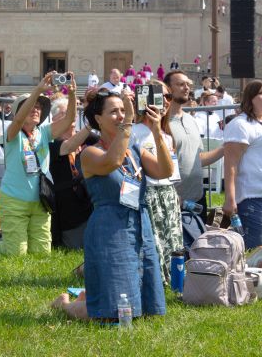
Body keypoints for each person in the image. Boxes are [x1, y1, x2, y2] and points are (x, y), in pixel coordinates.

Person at [52, 87, 173, 320]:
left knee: (148, 310)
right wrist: (128, 120)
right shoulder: (88, 154)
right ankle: (64, 305)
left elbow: (165, 170)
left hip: (140, 225)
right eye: (114, 112)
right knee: (114, 314)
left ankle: (89, 297)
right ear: (98, 119)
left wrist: (157, 132)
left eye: (123, 110)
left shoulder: (134, 150)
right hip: (110, 230)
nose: (120, 115)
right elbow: (113, 161)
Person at [0, 72, 76, 255]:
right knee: (16, 253)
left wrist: (72, 93)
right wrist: (38, 90)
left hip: (40, 201)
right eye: (30, 107)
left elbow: (69, 120)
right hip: (14, 200)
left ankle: (9, 238)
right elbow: (18, 120)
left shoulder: (43, 131)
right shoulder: (12, 132)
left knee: (42, 254)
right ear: (20, 110)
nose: (35, 109)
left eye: (39, 107)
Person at [223, 80, 262, 249]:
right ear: (250, 98)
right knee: (255, 251)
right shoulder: (240, 124)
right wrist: (230, 198)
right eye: (260, 93)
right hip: (254, 197)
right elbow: (230, 164)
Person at [131, 80, 182, 284]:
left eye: (168, 96)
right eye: (160, 96)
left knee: (171, 238)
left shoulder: (167, 134)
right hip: (148, 192)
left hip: (168, 191)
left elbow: (172, 170)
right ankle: (155, 278)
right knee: (154, 239)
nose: (165, 101)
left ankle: (173, 277)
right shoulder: (134, 132)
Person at [165, 70, 223, 224]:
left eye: (187, 84)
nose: (186, 88)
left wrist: (225, 149)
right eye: (180, 84)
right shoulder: (160, 123)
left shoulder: (191, 120)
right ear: (167, 89)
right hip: (173, 201)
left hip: (197, 199)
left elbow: (198, 159)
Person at [48, 97, 96, 249]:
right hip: (68, 211)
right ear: (54, 119)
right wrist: (90, 126)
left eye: (73, 113)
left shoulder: (88, 139)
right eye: (65, 113)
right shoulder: (51, 142)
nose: (71, 116)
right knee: (78, 246)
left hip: (91, 202)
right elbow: (68, 146)